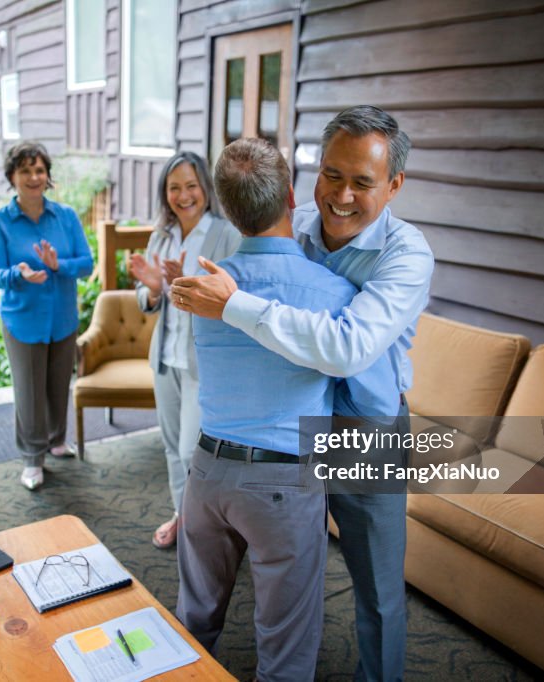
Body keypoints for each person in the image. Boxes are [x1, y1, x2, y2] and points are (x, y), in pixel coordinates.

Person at [172, 106, 435, 682]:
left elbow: (346, 350)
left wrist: (232, 305)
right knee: (291, 568)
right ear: (302, 186)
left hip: (365, 431)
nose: (340, 197)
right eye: (331, 176)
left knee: (378, 587)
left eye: (362, 183)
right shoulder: (304, 231)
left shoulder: (409, 255)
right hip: (294, 435)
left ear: (393, 186)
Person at [176, 137, 359, 681]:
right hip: (282, 483)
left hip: (207, 473)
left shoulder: (201, 287)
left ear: (227, 208)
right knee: (285, 646)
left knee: (191, 626)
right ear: (292, 198)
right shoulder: (334, 292)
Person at [128, 151, 240, 549]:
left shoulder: (226, 234)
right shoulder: (161, 235)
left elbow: (233, 297)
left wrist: (184, 282)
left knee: (193, 452)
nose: (184, 195)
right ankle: (182, 516)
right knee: (171, 446)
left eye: (191, 185)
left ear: (205, 189)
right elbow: (146, 298)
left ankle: (204, 527)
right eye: (174, 187)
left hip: (201, 363)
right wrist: (155, 289)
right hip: (165, 358)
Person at [0, 142, 94, 491]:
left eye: (39, 170)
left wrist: (56, 265)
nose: (34, 177)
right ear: (12, 177)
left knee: (59, 384)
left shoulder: (66, 216)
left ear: (47, 176)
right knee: (29, 392)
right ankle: (33, 458)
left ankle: (56, 439)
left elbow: (86, 264)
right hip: (22, 319)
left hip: (62, 317)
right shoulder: (0, 222)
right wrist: (19, 273)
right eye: (25, 171)